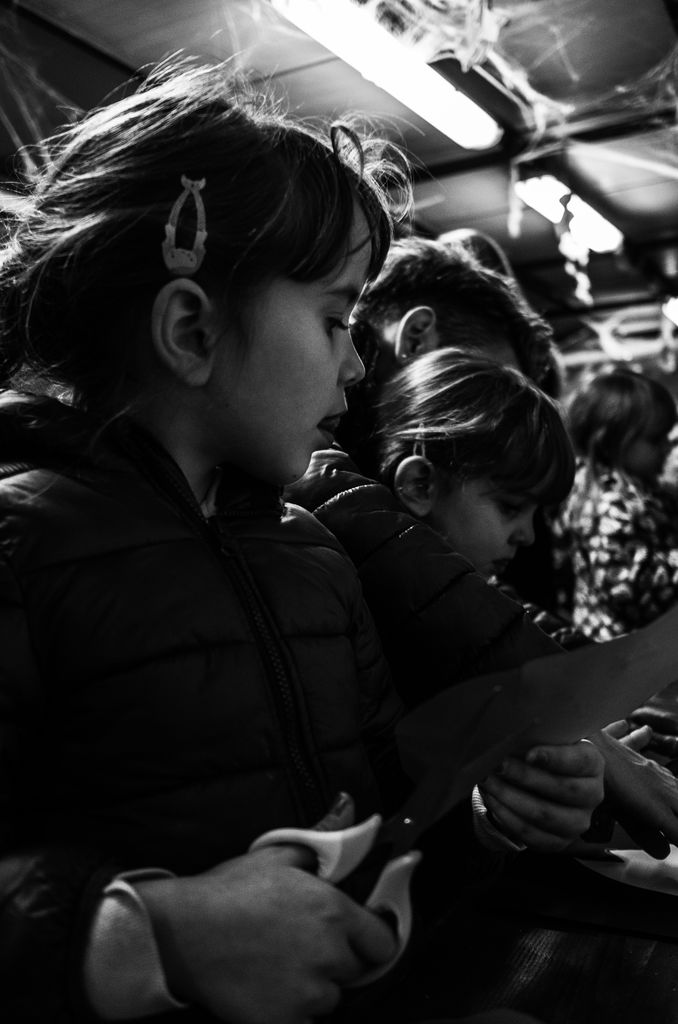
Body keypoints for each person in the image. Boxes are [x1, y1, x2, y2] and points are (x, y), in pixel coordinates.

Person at [0, 57, 598, 1024]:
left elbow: (385, 826)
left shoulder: (314, 556)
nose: (359, 366)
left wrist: (488, 813)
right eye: (335, 319)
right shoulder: (19, 550)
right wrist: (151, 931)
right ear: (192, 331)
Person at [551, 365, 678, 642]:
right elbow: (629, 588)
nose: (667, 446)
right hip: (623, 646)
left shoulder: (636, 487)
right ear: (612, 442)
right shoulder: (609, 506)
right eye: (655, 439)